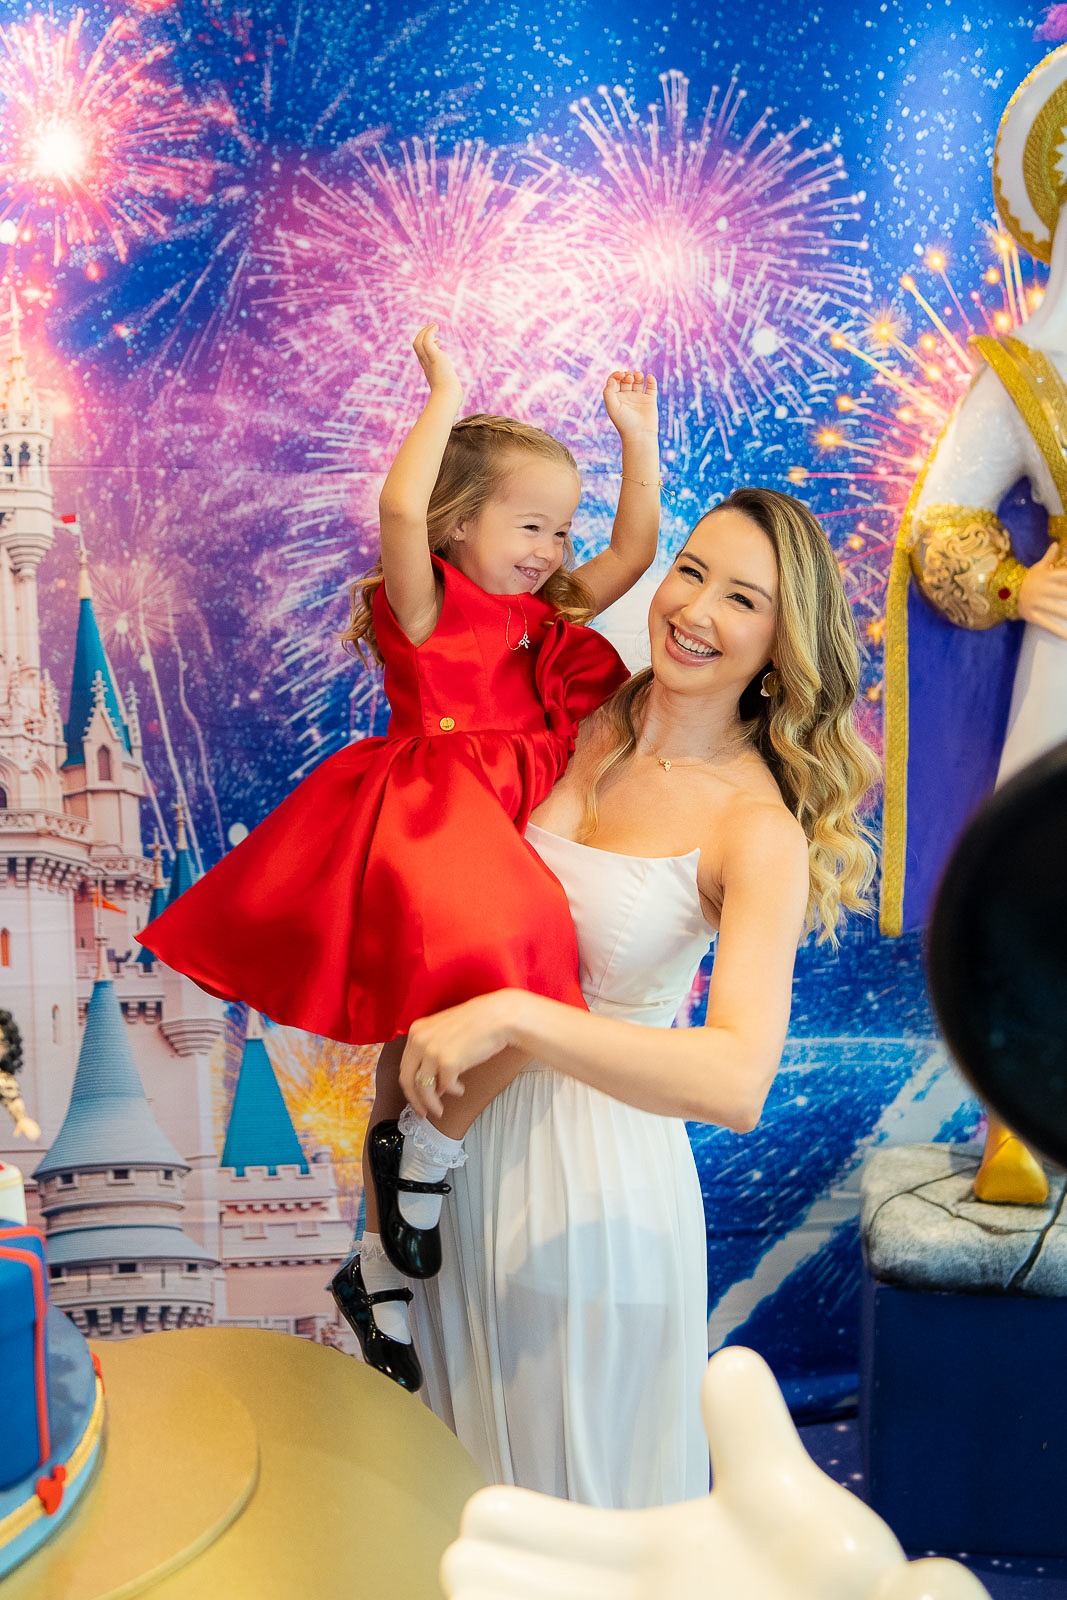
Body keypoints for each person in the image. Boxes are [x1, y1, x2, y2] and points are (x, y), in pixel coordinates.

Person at [136, 325, 662, 1383]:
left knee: (424, 1031)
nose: (552, 550)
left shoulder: (539, 615)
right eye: (529, 525)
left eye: (559, 530)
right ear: (457, 523)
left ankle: (374, 1258)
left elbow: (633, 553)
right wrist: (443, 396)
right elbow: (391, 509)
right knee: (532, 976)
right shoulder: (424, 605)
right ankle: (425, 1151)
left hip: (507, 826)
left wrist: (636, 444)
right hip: (437, 822)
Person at [380, 487, 877, 1508]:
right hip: (449, 1173)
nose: (694, 610)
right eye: (690, 572)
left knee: (572, 1525)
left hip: (589, 1207)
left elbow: (736, 1078)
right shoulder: (580, 703)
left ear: (782, 646)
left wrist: (519, 1016)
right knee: (444, 1512)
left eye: (743, 599)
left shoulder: (755, 829)